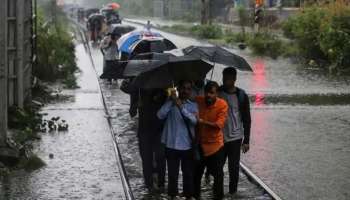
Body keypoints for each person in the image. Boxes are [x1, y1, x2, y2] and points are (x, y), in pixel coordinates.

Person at [157, 80, 198, 199]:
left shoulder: (193, 105)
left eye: (188, 88)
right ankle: (172, 196)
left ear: (191, 91)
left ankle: (188, 196)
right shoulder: (170, 103)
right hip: (171, 145)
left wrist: (180, 106)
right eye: (183, 88)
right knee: (172, 175)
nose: (185, 91)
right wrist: (172, 101)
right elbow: (160, 115)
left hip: (187, 146)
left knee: (188, 175)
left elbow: (194, 120)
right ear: (178, 89)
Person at [219, 67, 251, 196]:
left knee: (234, 168)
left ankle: (233, 192)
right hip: (219, 137)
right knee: (217, 166)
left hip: (235, 137)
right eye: (224, 78)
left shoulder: (241, 95)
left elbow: (247, 119)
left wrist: (247, 140)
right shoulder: (218, 92)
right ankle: (218, 191)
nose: (226, 81)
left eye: (228, 79)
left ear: (234, 79)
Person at [194, 81, 228, 200]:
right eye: (207, 92)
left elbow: (219, 125)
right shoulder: (199, 100)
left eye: (212, 93)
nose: (209, 95)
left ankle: (218, 197)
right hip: (200, 145)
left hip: (215, 147)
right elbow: (186, 98)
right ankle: (195, 196)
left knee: (218, 176)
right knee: (196, 175)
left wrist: (202, 122)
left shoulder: (222, 104)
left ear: (217, 94)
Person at [129, 88, 167, 193]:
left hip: (160, 130)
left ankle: (161, 184)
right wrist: (136, 104)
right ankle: (149, 185)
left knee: (161, 157)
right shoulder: (138, 90)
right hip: (144, 131)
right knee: (146, 159)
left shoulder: (164, 88)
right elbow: (132, 113)